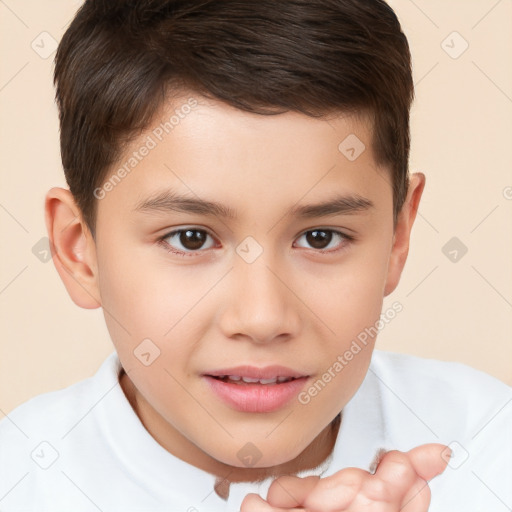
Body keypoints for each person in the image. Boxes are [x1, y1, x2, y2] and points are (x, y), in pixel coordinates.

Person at [1, 1, 510, 510]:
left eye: (320, 237)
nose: (263, 318)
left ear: (398, 237)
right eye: (191, 239)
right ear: (78, 249)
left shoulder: (487, 451)